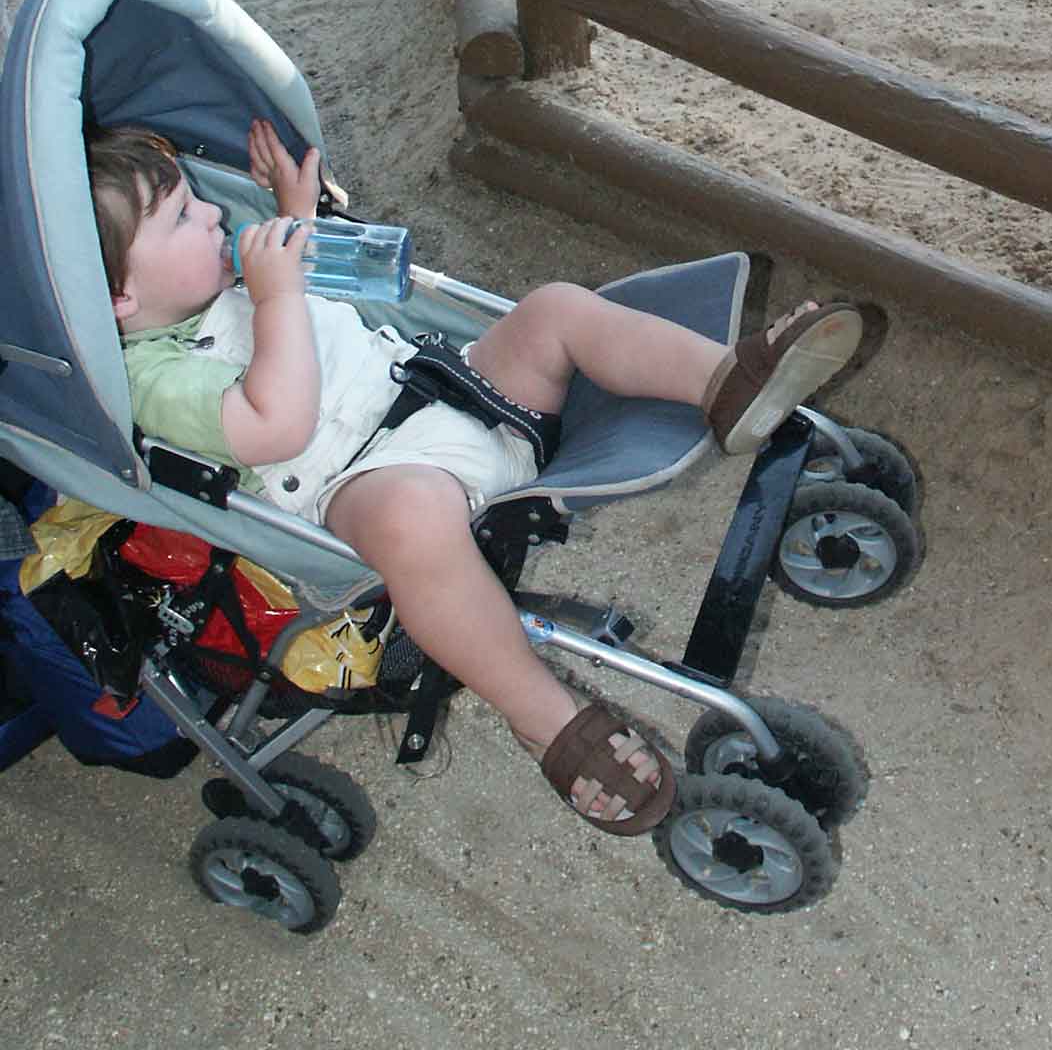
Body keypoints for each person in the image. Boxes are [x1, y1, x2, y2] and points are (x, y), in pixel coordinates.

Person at [87, 120, 886, 835]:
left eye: (199, 201)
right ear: (123, 297)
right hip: (366, 480)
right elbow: (277, 423)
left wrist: (296, 217)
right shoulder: (155, 377)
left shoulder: (231, 273)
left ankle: (730, 383)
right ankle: (544, 716)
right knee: (406, 526)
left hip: (455, 387)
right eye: (184, 219)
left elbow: (334, 289)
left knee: (554, 310)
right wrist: (278, 294)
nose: (217, 218)